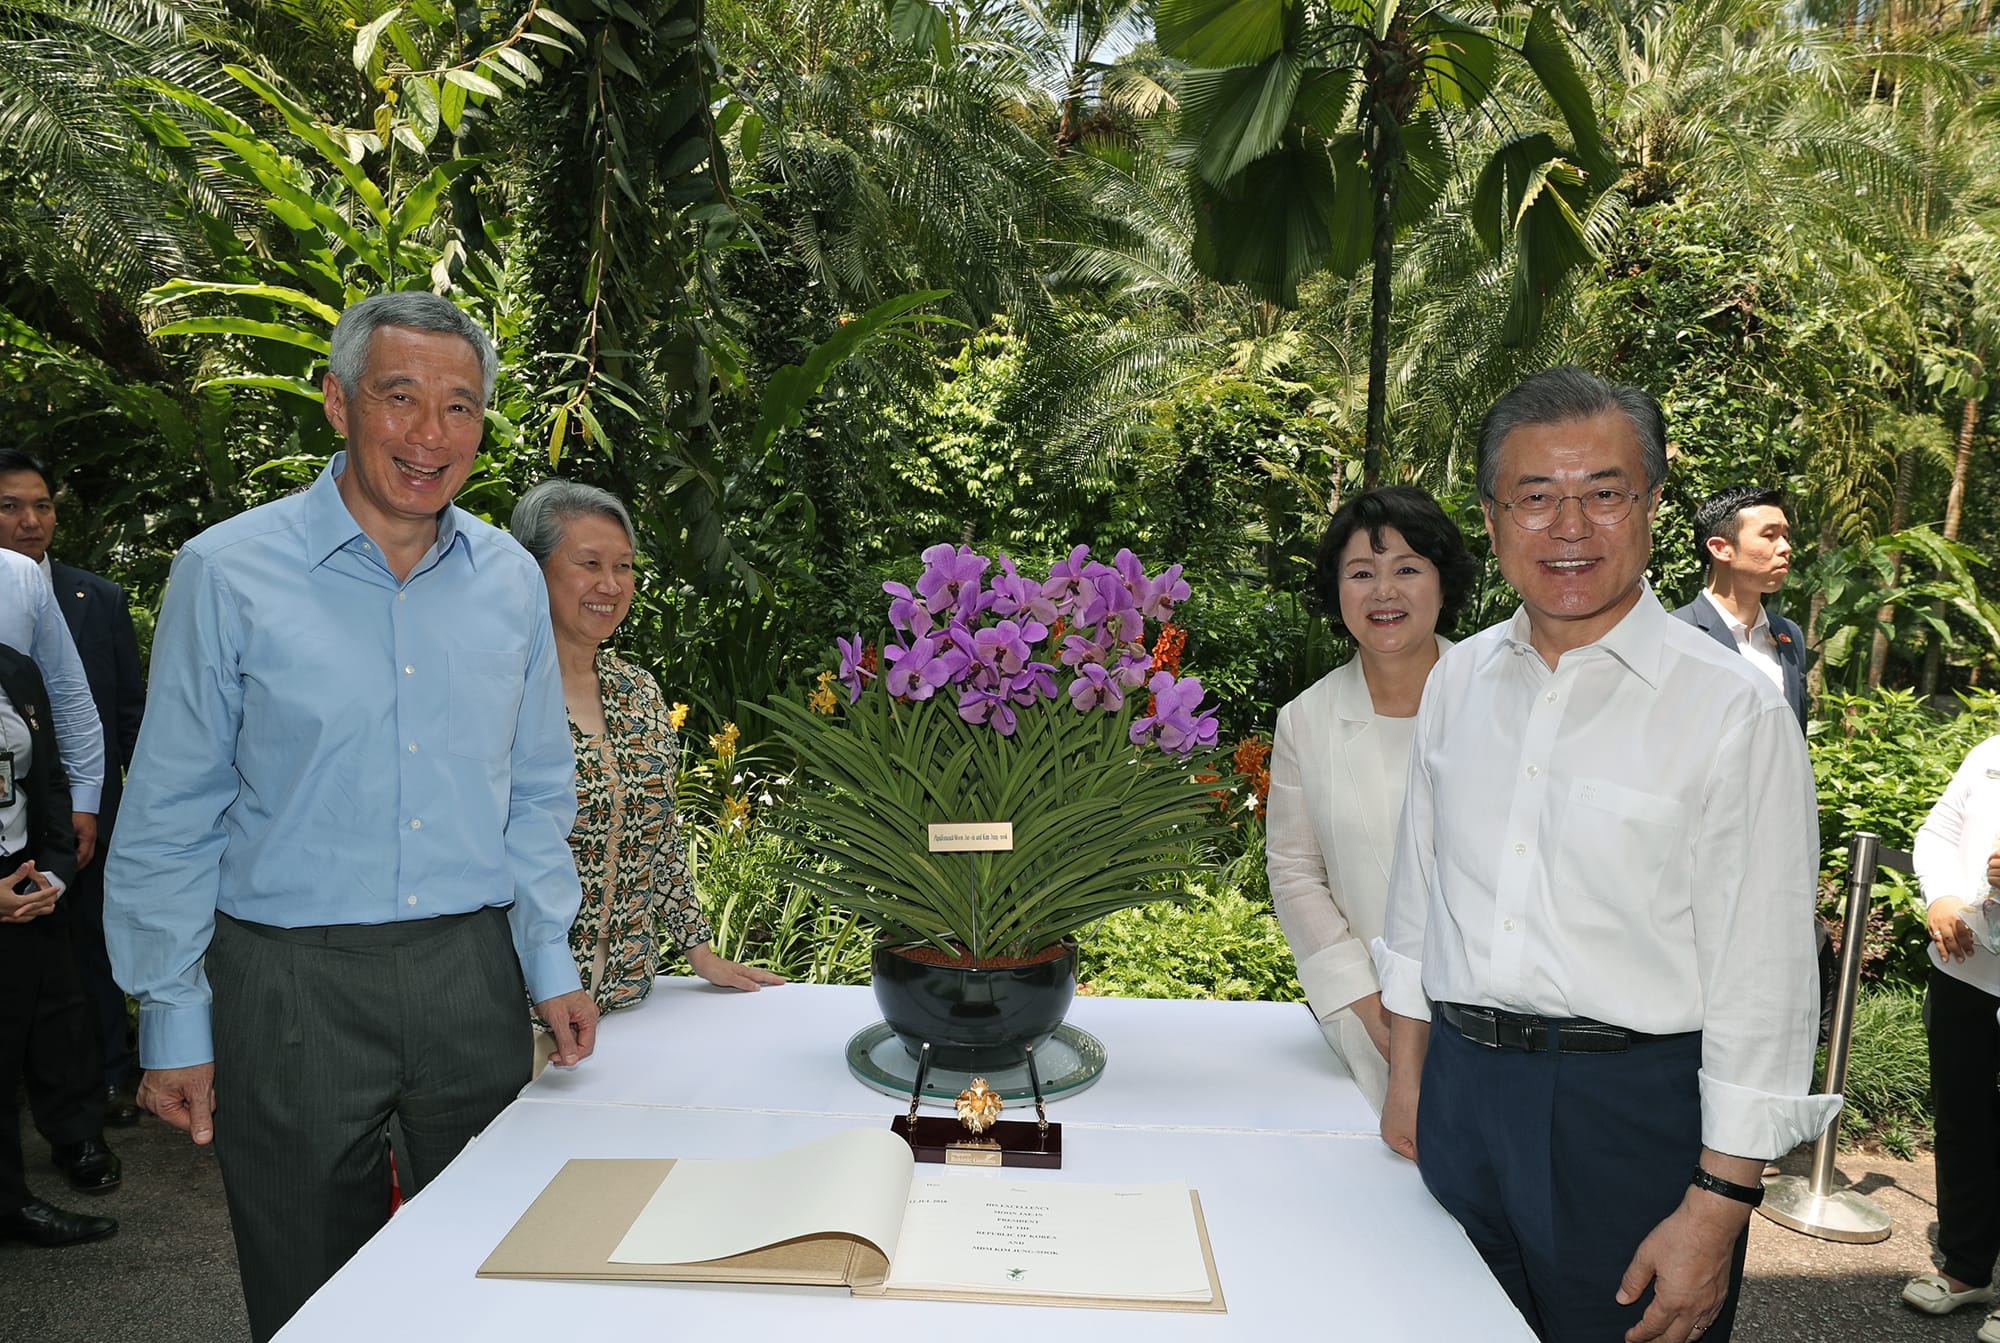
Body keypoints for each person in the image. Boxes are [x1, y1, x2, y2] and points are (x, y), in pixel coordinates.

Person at [103, 292, 596, 1342]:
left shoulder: (510, 579)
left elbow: (533, 786)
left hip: (469, 974)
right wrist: (173, 1017)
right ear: (336, 401)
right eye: (399, 396)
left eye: (460, 407)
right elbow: (172, 807)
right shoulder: (226, 571)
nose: (430, 434)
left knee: (493, 1273)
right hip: (288, 984)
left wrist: (547, 957)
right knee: (309, 1288)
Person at [1373, 366, 1839, 1343]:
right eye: (1534, 497)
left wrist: (1717, 1203)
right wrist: (1409, 1079)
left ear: (1652, 506)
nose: (1568, 526)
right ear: (1494, 518)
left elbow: (1764, 973)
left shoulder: (1731, 709)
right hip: (1459, 1101)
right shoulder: (1456, 679)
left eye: (1602, 493)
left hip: (1631, 1122)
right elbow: (1417, 895)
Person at [510, 478, 784, 1073]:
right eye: (588, 564)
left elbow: (659, 835)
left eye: (624, 566)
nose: (610, 585)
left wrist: (699, 950)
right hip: (520, 1009)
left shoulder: (637, 690)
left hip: (633, 1000)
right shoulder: (497, 695)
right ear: (532, 575)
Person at [1266, 485, 1478, 1114]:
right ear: (1338, 591)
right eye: (1362, 573)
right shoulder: (1306, 720)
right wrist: (1376, 1012)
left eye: (1407, 569)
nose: (1384, 591)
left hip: (1503, 1019)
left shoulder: (1502, 698)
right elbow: (1296, 872)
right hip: (1368, 1020)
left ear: (1444, 584)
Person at [0, 449, 148, 1124]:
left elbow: (116, 711)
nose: (31, 521)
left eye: (42, 505)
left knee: (91, 942)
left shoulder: (95, 595)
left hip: (87, 810)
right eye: (10, 506)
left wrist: (109, 801)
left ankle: (109, 1077)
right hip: (19, 816)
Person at [0, 642, 112, 1246]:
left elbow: (48, 775)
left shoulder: (13, 667)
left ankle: (13, 1199)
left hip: (26, 881)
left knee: (50, 1022)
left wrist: (56, 870)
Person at [1900, 738, 2000, 1339]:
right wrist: (1938, 893)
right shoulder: (1990, 750)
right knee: (1962, 1120)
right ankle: (1967, 1270)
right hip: (1965, 970)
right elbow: (1939, 831)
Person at [1673, 485, 1806, 730]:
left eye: (1785, 536)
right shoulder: (1675, 635)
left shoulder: (1789, 635)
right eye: (1769, 535)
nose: (1785, 547)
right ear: (1721, 548)